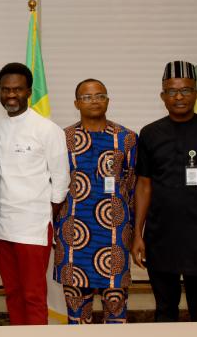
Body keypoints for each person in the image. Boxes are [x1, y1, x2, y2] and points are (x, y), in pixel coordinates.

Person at [132, 61, 197, 322]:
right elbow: (144, 185)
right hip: (160, 237)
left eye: (186, 90)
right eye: (172, 91)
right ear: (163, 96)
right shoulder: (150, 134)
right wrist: (138, 234)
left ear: (196, 93)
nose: (179, 97)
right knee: (164, 311)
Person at [0, 62, 69, 325]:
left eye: (17, 89)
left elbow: (61, 181)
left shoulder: (47, 129)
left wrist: (45, 214)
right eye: (5, 89)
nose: (11, 95)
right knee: (12, 293)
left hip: (32, 227)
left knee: (34, 296)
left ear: (29, 92)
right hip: (1, 225)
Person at [54, 79, 137, 324]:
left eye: (100, 95)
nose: (94, 101)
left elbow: (131, 187)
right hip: (73, 238)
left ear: (108, 101)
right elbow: (56, 186)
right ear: (76, 103)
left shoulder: (127, 139)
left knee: (116, 312)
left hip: (114, 239)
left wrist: (132, 232)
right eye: (87, 97)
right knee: (78, 317)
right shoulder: (63, 138)